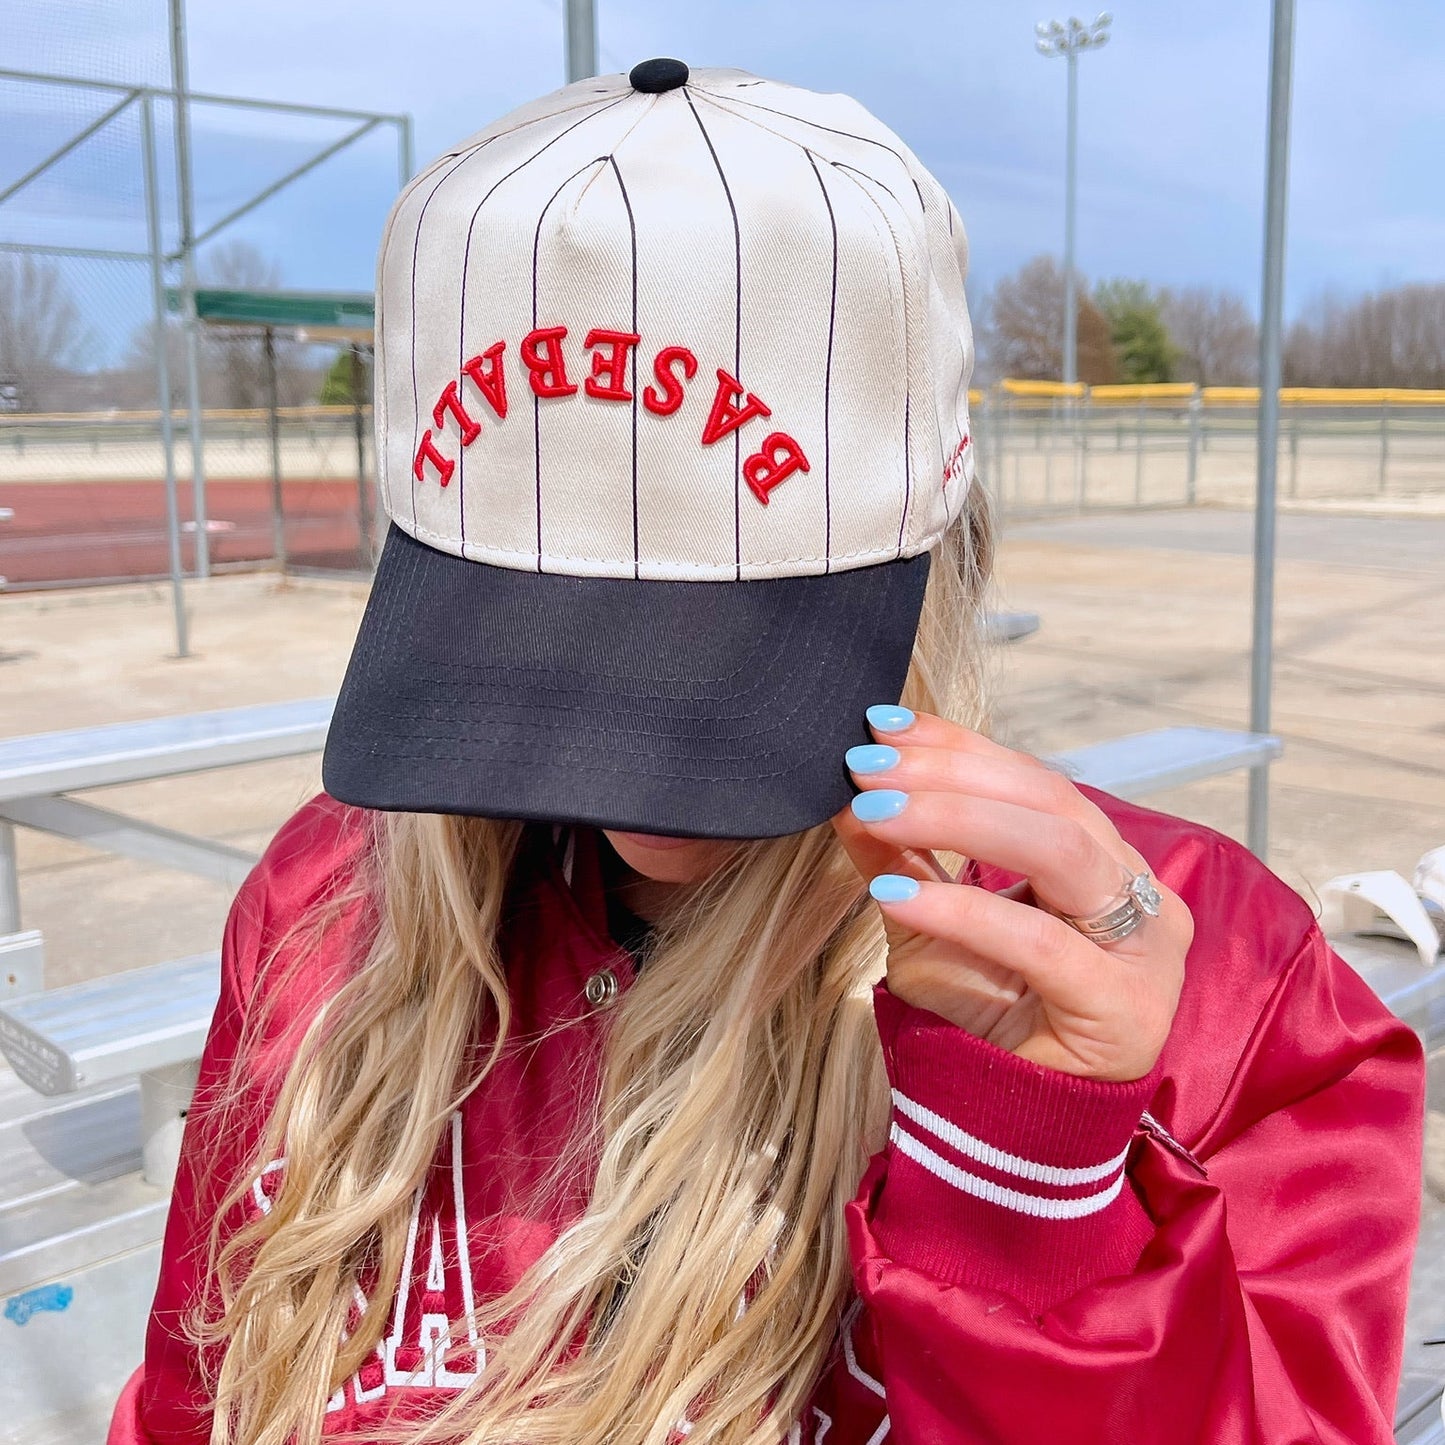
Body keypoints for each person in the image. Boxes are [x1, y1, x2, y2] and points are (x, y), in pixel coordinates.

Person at [110, 60, 1425, 1445]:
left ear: (935, 540)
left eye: (724, 649)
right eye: (532, 646)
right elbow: (186, 1401)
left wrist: (1032, 1206)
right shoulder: (329, 901)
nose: (628, 775)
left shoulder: (1230, 994)